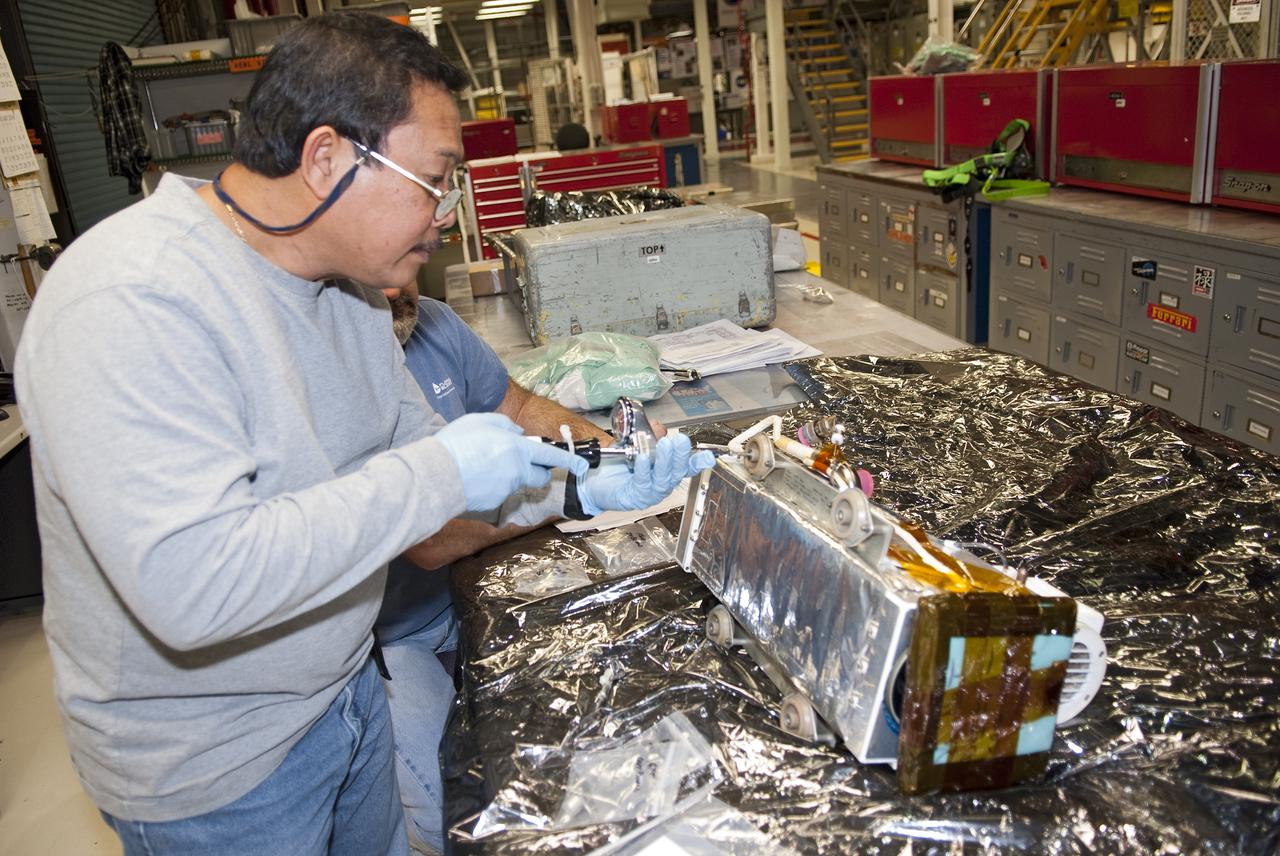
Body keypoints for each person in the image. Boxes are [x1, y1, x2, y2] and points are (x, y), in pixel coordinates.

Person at [14, 13, 703, 855]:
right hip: (218, 770)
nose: (444, 216)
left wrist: (576, 481)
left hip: (346, 691)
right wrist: (443, 471)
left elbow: (420, 510)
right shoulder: (132, 302)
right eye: (434, 181)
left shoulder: (354, 293)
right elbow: (194, 588)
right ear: (327, 159)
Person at [378, 281, 705, 854]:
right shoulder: (341, 355)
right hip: (389, 632)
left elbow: (521, 409)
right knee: (461, 811)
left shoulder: (433, 324)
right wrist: (575, 489)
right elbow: (426, 537)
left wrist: (608, 451)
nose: (397, 286)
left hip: (468, 588)